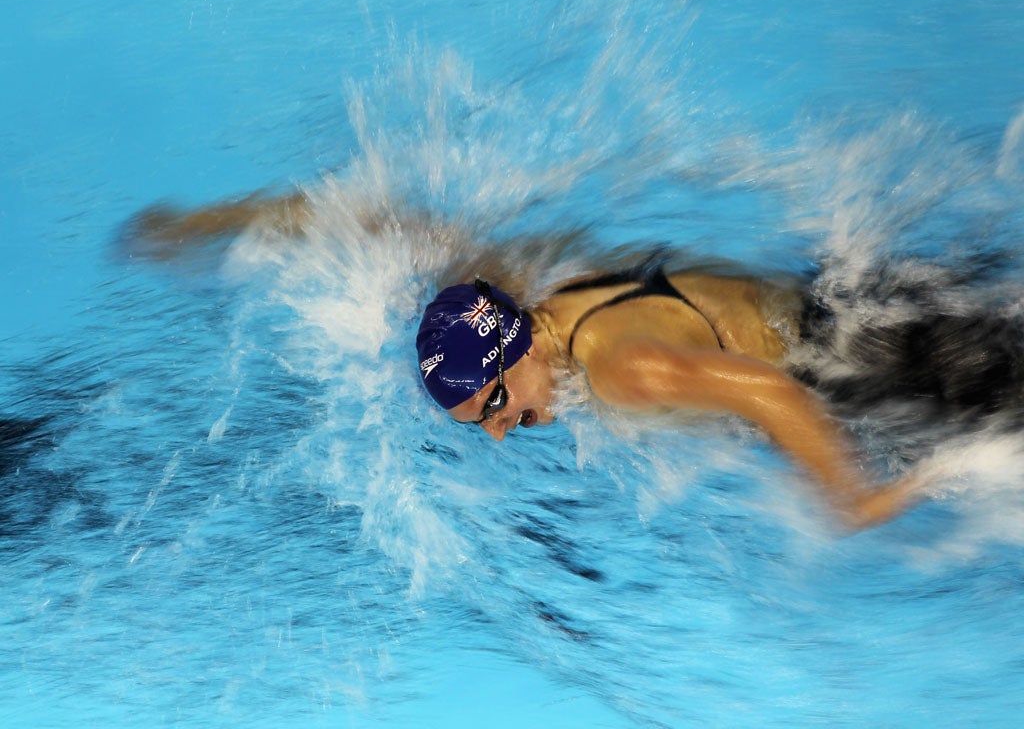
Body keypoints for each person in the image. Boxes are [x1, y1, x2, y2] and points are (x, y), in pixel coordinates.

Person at [125, 190, 1022, 531]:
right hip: (858, 293)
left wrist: (849, 495)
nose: (509, 432)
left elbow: (769, 390)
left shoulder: (621, 372)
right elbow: (371, 219)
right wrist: (211, 226)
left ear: (512, 353)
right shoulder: (520, 286)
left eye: (495, 408)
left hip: (879, 367)